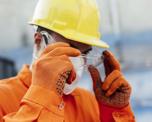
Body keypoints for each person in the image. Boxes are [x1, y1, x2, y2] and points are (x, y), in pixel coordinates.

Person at [0, 0, 135, 121]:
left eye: (84, 54)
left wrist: (116, 113)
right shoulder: (3, 98)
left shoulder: (88, 103)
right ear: (38, 41)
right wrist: (42, 99)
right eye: (69, 49)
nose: (77, 62)